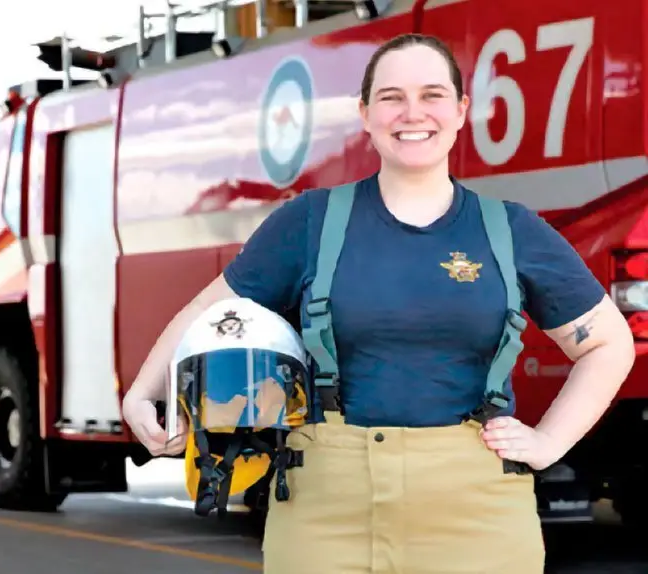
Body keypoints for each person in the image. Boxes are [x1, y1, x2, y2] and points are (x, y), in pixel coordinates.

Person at [121, 32, 636, 573]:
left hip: (476, 511)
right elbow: (208, 311)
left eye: (432, 94)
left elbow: (607, 343)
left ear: (461, 110)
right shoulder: (308, 223)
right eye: (391, 97)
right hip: (325, 508)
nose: (412, 113)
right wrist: (142, 393)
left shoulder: (512, 231)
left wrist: (549, 442)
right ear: (365, 114)